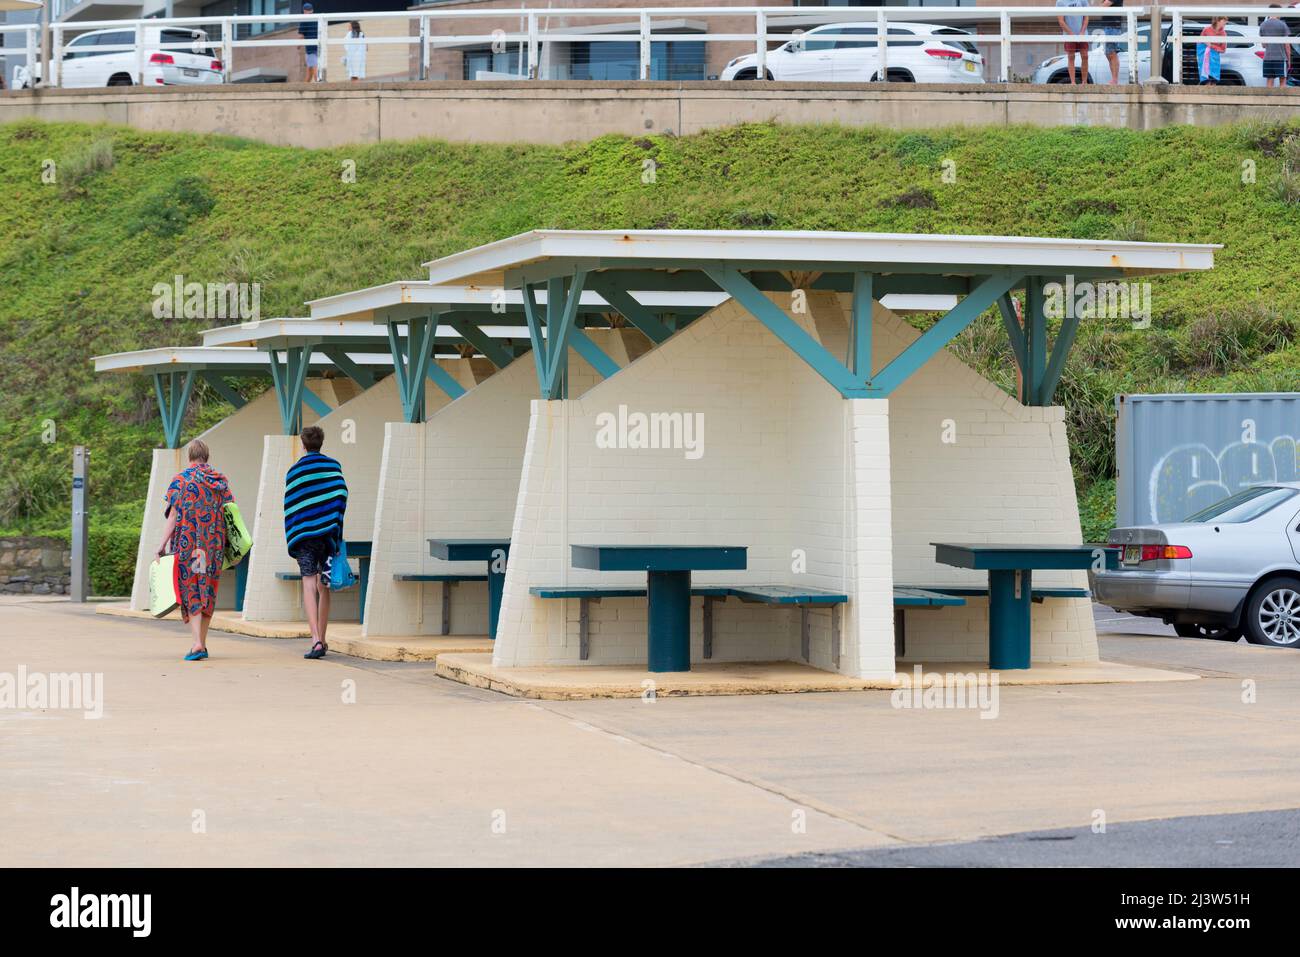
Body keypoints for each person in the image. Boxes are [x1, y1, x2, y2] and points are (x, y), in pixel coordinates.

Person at [156, 439, 234, 662]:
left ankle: (197, 643)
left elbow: (172, 516)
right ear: (206, 456)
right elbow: (231, 511)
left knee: (191, 590)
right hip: (213, 546)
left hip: (188, 546)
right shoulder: (220, 481)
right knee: (207, 589)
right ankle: (202, 643)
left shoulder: (180, 480)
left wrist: (161, 545)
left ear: (190, 456)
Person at [284, 425, 348, 660]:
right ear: (321, 443)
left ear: (303, 444)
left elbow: (292, 504)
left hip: (304, 536)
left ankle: (316, 641)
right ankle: (323, 637)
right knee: (324, 585)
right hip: (328, 535)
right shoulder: (333, 466)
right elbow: (341, 494)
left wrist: (298, 529)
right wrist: (335, 525)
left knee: (309, 583)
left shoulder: (295, 471)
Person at [1056, 0, 1090, 84]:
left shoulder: (1083, 1)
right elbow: (1061, 21)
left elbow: (1086, 17)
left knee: (1085, 56)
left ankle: (1084, 82)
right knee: (1071, 57)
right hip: (1069, 34)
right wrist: (1071, 34)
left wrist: (1082, 32)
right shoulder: (1060, 2)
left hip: (1082, 33)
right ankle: (1073, 82)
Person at [1261, 6, 1291, 88]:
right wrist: (1289, 60)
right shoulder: (1282, 25)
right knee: (1282, 81)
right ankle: (1281, 100)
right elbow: (1287, 45)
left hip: (1267, 58)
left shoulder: (1263, 25)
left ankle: (1268, 99)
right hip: (1281, 58)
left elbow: (1263, 45)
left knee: (1269, 81)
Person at [1098, 0, 1125, 84]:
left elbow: (1103, 6)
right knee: (1109, 53)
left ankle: (1114, 79)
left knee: (1112, 53)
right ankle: (1114, 79)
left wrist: (1102, 3)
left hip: (1112, 27)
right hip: (1109, 27)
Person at [1197, 16, 1229, 85]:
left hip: (1214, 60)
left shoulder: (1223, 34)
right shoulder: (1206, 30)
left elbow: (1223, 50)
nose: (1225, 23)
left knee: (1214, 81)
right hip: (1205, 59)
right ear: (1218, 21)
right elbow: (1199, 43)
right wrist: (1206, 43)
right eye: (1224, 21)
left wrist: (1211, 46)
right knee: (1206, 81)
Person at [299, 2, 319, 83]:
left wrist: (298, 45)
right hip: (318, 46)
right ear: (312, 10)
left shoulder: (304, 20)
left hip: (310, 48)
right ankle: (305, 86)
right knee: (309, 68)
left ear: (304, 11)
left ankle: (318, 82)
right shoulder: (317, 19)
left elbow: (301, 35)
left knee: (314, 66)